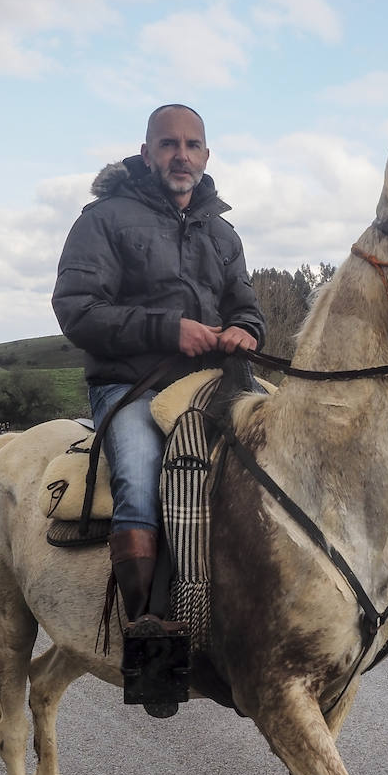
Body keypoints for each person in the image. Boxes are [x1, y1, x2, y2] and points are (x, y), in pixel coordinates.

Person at [52, 104, 265, 621]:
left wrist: (247, 330)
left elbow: (246, 305)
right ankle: (145, 625)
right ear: (147, 153)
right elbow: (76, 311)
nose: (181, 155)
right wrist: (167, 330)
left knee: (291, 445)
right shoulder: (103, 219)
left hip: (214, 382)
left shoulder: (222, 233)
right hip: (130, 387)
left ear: (206, 155)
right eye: (169, 144)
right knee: (143, 472)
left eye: (192, 145)